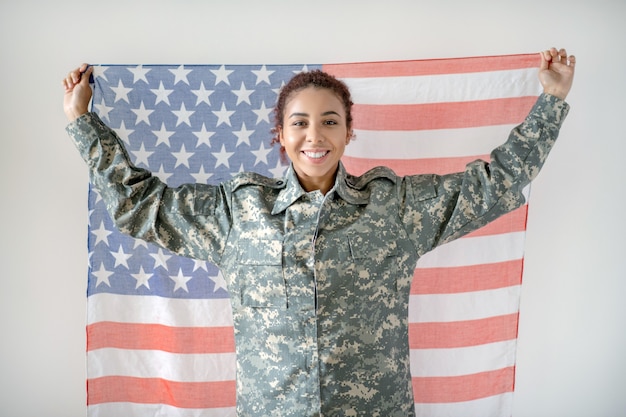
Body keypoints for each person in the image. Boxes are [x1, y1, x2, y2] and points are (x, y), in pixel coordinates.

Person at [63, 48, 575, 416]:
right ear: (281, 135)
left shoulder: (393, 207)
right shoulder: (237, 213)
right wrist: (84, 122)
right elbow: (141, 204)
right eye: (300, 123)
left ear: (349, 132)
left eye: (330, 122)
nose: (315, 135)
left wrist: (551, 101)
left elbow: (494, 184)